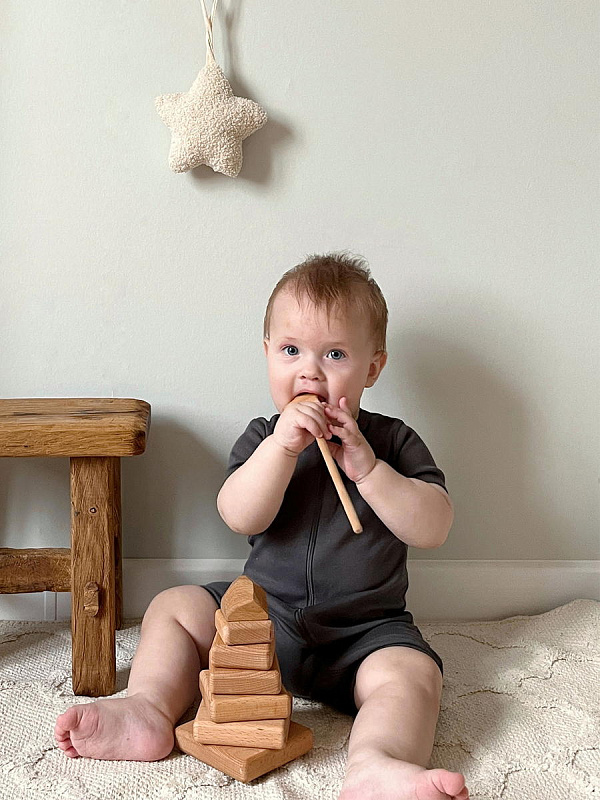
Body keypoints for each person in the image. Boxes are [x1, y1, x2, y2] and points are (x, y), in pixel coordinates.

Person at [55, 253, 469, 800]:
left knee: (413, 674)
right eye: (291, 350)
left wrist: (370, 472)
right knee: (174, 606)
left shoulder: (392, 441)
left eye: (335, 354)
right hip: (262, 622)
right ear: (268, 354)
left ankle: (376, 762)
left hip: (366, 634)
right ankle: (148, 708)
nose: (310, 371)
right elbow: (239, 515)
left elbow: (434, 526)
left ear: (372, 368)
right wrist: (281, 449)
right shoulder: (263, 437)